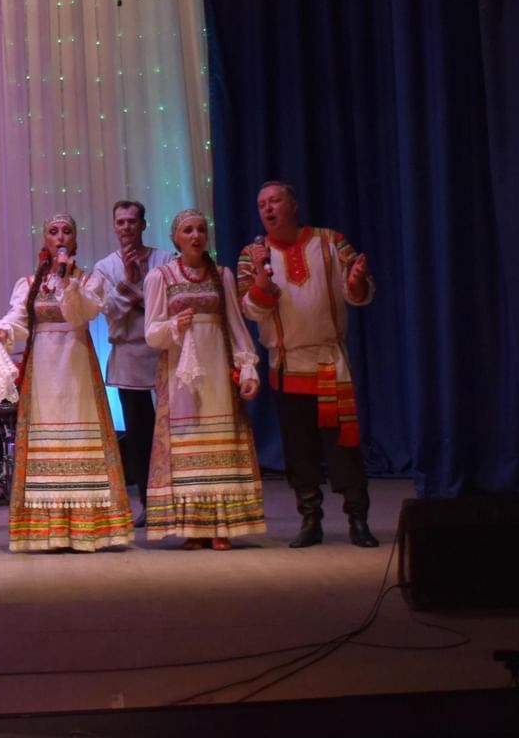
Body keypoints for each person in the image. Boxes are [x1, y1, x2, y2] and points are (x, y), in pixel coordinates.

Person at [0, 214, 132, 551]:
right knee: (45, 439)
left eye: (66, 232)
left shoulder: (90, 281)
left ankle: (84, 528)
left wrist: (67, 280)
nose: (60, 237)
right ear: (45, 241)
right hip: (44, 369)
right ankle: (46, 530)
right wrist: (4, 329)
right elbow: (19, 316)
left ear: (75, 241)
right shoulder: (29, 283)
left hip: (75, 364)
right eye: (53, 232)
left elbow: (80, 315)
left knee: (79, 438)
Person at [239, 181, 378, 548]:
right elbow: (248, 309)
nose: (268, 209)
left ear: (294, 204)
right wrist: (263, 285)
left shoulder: (331, 241)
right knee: (298, 446)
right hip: (286, 365)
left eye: (275, 201)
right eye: (261, 204)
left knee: (344, 444)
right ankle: (310, 518)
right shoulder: (252, 254)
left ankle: (358, 518)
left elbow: (358, 293)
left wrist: (356, 281)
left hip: (330, 362)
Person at [143, 209, 266, 550]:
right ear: (175, 238)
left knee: (221, 443)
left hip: (216, 373)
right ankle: (193, 526)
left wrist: (248, 368)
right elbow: (151, 334)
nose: (195, 236)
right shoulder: (161, 277)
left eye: (200, 229)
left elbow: (236, 328)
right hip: (180, 375)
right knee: (186, 444)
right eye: (187, 230)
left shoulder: (222, 275)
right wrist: (172, 327)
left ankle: (221, 525)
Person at [93, 200, 173, 524]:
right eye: (120, 222)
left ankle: (176, 496)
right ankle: (146, 500)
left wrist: (134, 298)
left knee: (168, 428)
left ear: (143, 225)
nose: (126, 227)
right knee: (139, 432)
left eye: (132, 221)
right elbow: (109, 310)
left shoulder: (164, 259)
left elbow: (168, 303)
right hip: (127, 352)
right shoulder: (104, 267)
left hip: (165, 352)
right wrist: (129, 281)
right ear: (114, 226)